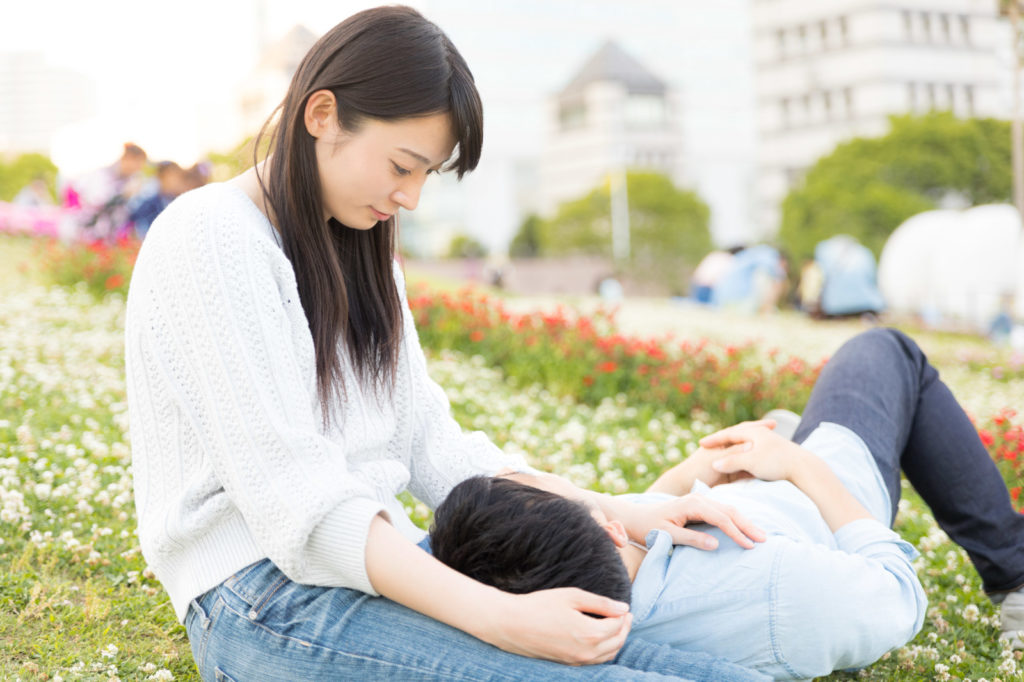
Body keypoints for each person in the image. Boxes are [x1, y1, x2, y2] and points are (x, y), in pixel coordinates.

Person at [124, 6, 770, 680]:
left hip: (378, 569)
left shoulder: (361, 251)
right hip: (259, 600)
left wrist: (617, 510)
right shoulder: (211, 237)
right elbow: (298, 500)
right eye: (403, 166)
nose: (411, 198)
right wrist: (503, 618)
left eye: (427, 174)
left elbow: (437, 450)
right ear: (322, 116)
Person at [430, 327, 1024, 679]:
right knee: (887, 350)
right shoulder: (779, 590)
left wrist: (697, 470)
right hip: (825, 497)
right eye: (564, 489)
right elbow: (898, 596)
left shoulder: (586, 595)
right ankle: (1015, 573)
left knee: (773, 429)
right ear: (608, 529)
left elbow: (634, 525)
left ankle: (779, 436)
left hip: (739, 491)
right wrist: (799, 466)